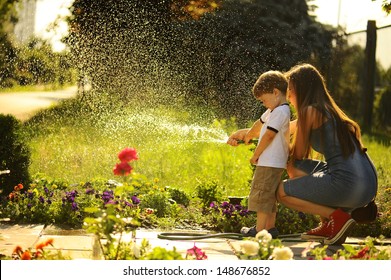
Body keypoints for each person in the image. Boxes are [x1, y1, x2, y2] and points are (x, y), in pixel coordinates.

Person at [275, 63, 378, 245]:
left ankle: (335, 218)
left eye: (290, 89)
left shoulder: (309, 111)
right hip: (368, 184)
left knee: (281, 191)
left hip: (349, 184)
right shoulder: (326, 110)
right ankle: (331, 223)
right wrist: (248, 134)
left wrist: (272, 150)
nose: (288, 96)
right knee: (298, 168)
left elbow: (296, 155)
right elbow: (281, 127)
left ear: (300, 89)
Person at [227, 70, 291, 238]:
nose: (263, 104)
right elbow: (259, 124)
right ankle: (270, 228)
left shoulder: (280, 112)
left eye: (264, 100)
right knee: (269, 196)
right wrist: (246, 135)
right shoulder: (273, 110)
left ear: (275, 92)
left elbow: (269, 135)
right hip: (273, 163)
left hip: (269, 162)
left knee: (262, 196)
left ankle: (259, 230)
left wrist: (256, 154)